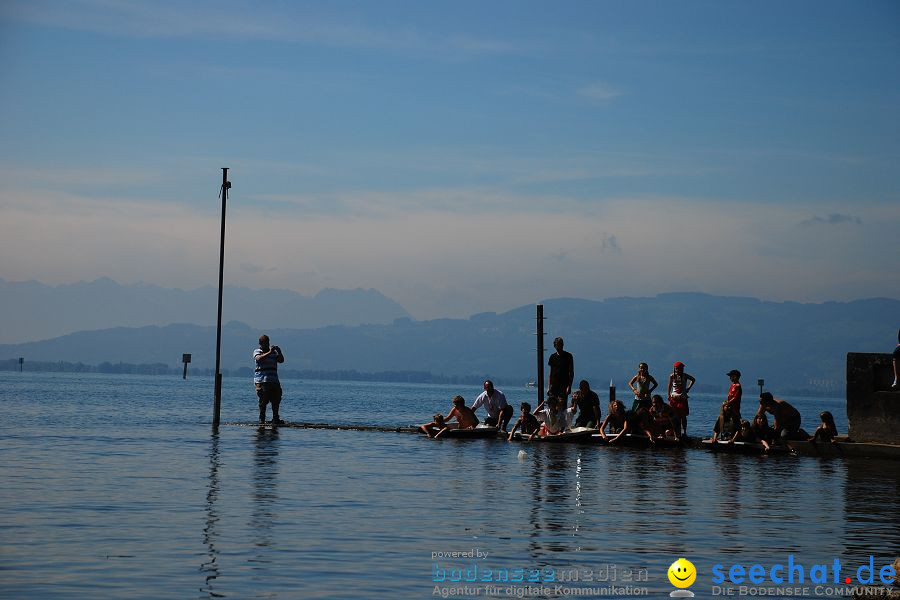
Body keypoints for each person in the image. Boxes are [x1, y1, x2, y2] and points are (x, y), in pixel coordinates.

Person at [253, 334, 285, 424]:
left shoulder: (273, 353)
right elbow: (259, 359)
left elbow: (281, 360)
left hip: (274, 380)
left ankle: (275, 418)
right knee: (263, 400)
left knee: (276, 399)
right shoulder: (257, 351)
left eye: (268, 342)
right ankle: (262, 418)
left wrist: (279, 352)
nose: (267, 344)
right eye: (265, 343)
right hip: (262, 381)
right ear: (260, 343)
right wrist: (270, 352)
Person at [711, 370, 743, 443]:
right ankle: (715, 437)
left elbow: (735, 397)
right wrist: (726, 404)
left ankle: (733, 439)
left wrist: (728, 403)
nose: (730, 378)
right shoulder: (732, 385)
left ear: (735, 376)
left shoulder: (738, 386)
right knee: (721, 419)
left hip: (734, 409)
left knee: (736, 423)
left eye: (731, 376)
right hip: (729, 408)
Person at [667, 362, 695, 437]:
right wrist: (668, 394)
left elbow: (693, 379)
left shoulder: (684, 376)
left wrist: (688, 388)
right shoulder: (672, 376)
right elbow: (669, 385)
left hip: (682, 398)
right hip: (674, 397)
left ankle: (684, 432)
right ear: (674, 369)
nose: (678, 370)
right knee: (673, 415)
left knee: (683, 416)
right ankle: (674, 431)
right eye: (677, 368)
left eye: (680, 368)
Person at [548, 337, 575, 403]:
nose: (560, 346)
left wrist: (569, 386)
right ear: (555, 345)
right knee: (552, 404)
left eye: (561, 344)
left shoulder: (568, 356)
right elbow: (550, 373)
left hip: (564, 385)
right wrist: (549, 387)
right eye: (558, 344)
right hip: (554, 385)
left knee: (562, 404)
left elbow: (571, 372)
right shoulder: (552, 357)